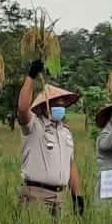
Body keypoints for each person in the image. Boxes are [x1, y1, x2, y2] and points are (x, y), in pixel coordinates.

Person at [16, 60, 84, 216]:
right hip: (35, 196)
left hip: (59, 198)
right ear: (45, 106)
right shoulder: (34, 126)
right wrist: (31, 76)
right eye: (56, 105)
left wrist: (77, 197)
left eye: (63, 105)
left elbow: (70, 165)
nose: (60, 108)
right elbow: (22, 109)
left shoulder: (66, 132)